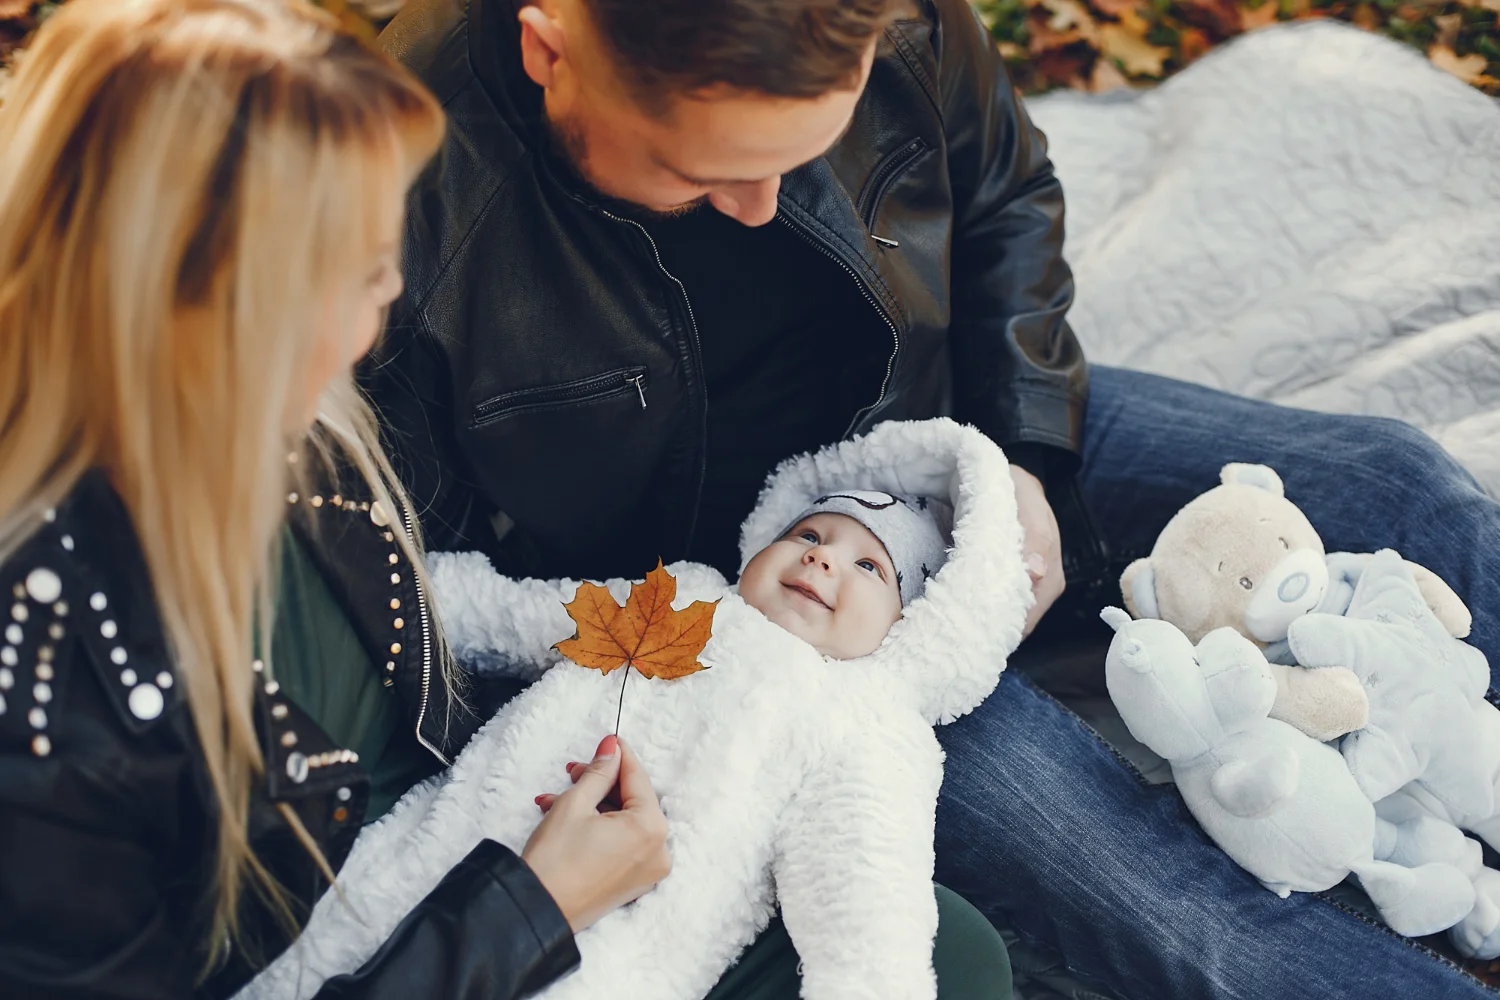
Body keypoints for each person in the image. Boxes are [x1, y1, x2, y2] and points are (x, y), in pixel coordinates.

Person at [370, 0, 1500, 995]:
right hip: (772, 629)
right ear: (548, 48)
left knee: (1400, 485)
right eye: (701, 174)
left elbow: (1005, 193)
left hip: (950, 421)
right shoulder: (405, 172)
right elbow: (422, 558)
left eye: (802, 154)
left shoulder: (888, 10)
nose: (761, 208)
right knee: (1145, 888)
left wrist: (1025, 448)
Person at [0, 2, 673, 996]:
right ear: (209, 307)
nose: (395, 289)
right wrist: (530, 907)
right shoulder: (45, 696)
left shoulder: (296, 432)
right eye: (361, 267)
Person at [243, 419, 1022, 1000]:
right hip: (456, 837)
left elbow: (866, 903)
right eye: (810, 533)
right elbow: (526, 617)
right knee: (343, 934)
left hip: (626, 944)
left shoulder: (865, 729)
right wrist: (399, 582)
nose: (821, 557)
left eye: (869, 566)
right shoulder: (680, 597)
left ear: (912, 630)